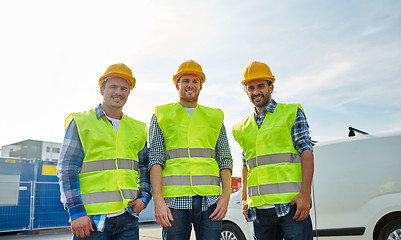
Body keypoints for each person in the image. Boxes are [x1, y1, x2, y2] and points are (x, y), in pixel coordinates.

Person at [56, 63, 152, 240]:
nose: (119, 92)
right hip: (91, 220)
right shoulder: (81, 122)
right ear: (102, 89)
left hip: (127, 218)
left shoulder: (138, 128)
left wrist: (144, 197)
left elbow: (145, 167)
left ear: (129, 93)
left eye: (124, 88)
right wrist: (76, 212)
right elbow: (66, 168)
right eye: (113, 87)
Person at [148, 60, 233, 240]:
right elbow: (155, 159)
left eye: (195, 81)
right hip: (174, 203)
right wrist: (158, 201)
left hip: (210, 201)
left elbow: (224, 159)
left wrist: (225, 197)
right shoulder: (161, 116)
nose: (190, 85)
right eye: (186, 80)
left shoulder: (215, 117)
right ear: (177, 84)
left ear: (201, 86)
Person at [232, 61, 314, 240]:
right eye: (250, 87)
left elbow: (306, 151)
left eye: (260, 86)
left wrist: (305, 195)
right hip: (260, 212)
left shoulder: (291, 112)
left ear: (271, 86)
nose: (255, 92)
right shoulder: (242, 128)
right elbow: (246, 164)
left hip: (291, 207)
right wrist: (245, 199)